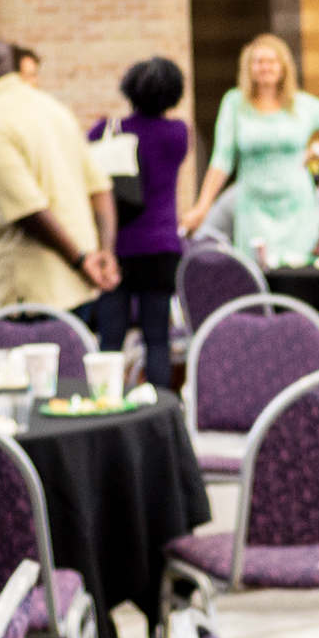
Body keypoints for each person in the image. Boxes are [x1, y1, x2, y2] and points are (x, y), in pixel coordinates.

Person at [0, 36, 116, 338]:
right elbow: (100, 187)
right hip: (77, 287)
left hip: (31, 294)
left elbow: (27, 210)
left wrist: (82, 261)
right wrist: (104, 254)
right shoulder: (54, 108)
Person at [178, 32, 319, 264]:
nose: (265, 67)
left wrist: (317, 148)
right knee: (257, 270)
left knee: (297, 271)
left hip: (297, 205)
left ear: (283, 67)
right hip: (253, 206)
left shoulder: (301, 104)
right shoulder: (234, 102)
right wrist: (202, 206)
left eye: (271, 61)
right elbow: (222, 159)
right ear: (249, 67)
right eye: (258, 62)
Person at [95, 56, 191, 390]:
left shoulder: (107, 131)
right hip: (161, 246)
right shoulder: (178, 134)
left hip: (115, 247)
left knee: (111, 338)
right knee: (157, 339)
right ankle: (161, 407)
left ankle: (105, 404)